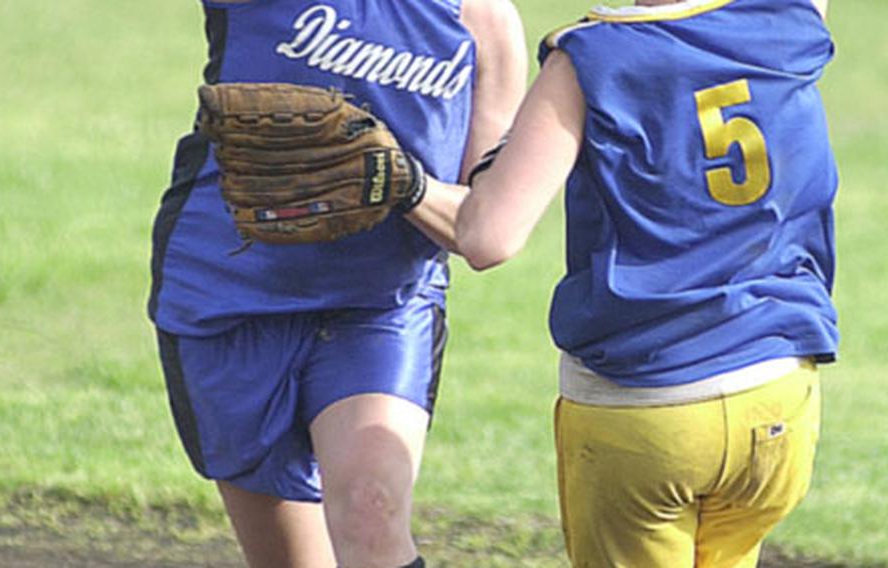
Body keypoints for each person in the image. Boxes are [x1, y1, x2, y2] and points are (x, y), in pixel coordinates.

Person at [431, 0, 839, 566]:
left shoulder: (589, 58)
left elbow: (487, 237)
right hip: (779, 392)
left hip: (646, 408)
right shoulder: (788, 15)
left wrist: (399, 181)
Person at [147, 0, 527, 567]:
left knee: (372, 514)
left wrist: (406, 186)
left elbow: (484, 225)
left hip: (381, 306)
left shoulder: (483, 20)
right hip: (229, 292)